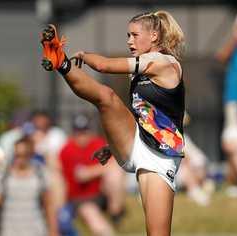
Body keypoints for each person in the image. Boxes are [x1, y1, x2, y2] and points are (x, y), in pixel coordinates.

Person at [40, 10, 185, 236]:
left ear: (154, 36)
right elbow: (143, 116)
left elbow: (104, 66)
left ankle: (63, 60)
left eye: (135, 35)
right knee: (106, 97)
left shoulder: (162, 62)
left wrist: (85, 55)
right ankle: (60, 62)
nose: (129, 41)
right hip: (136, 141)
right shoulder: (142, 67)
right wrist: (114, 144)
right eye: (128, 35)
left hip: (160, 159)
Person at [58, 114, 121, 236]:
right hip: (80, 198)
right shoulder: (67, 149)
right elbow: (78, 176)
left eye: (84, 131)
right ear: (73, 132)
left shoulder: (98, 144)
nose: (82, 136)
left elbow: (116, 165)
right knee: (92, 216)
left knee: (116, 173)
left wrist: (91, 172)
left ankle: (116, 212)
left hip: (100, 193)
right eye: (78, 132)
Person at [0, 137, 59, 236]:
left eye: (24, 155)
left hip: (37, 231)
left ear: (31, 155)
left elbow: (49, 206)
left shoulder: (41, 174)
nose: (20, 159)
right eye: (17, 155)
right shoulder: (2, 176)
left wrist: (53, 232)